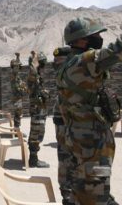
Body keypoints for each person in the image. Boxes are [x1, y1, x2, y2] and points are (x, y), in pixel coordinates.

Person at [56, 0, 122, 205]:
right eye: (95, 35)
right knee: (95, 194)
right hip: (91, 146)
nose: (99, 38)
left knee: (93, 189)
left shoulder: (67, 64)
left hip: (81, 143)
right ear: (81, 40)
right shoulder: (86, 62)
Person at [52, 47, 74, 204]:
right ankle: (67, 196)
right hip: (66, 118)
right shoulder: (69, 70)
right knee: (67, 157)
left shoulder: (63, 69)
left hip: (63, 117)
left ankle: (67, 195)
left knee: (64, 156)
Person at [26, 51, 50, 168]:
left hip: (40, 109)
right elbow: (32, 73)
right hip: (37, 111)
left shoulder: (38, 78)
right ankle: (33, 159)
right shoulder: (33, 76)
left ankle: (34, 157)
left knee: (38, 133)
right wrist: (34, 62)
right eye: (43, 65)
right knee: (36, 133)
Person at [10, 52, 26, 128]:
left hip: (18, 97)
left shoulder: (16, 75)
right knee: (18, 114)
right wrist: (18, 57)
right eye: (18, 66)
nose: (19, 67)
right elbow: (16, 67)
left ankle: (17, 129)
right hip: (16, 98)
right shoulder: (14, 74)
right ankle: (17, 130)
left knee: (18, 114)